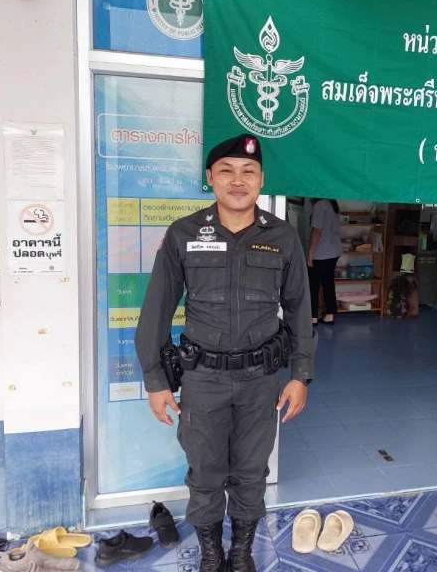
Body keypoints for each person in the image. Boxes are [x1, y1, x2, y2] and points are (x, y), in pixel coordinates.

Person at [135, 133, 314, 572]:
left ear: (261, 179)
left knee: (252, 470)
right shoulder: (183, 234)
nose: (238, 180)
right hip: (203, 379)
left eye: (248, 171)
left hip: (260, 379)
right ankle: (212, 553)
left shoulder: (283, 237)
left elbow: (299, 309)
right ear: (210, 178)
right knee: (205, 471)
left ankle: (242, 551)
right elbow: (156, 310)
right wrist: (155, 380)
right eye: (227, 171)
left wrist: (300, 374)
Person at [307, 198, 343, 326]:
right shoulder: (333, 204)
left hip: (321, 252)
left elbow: (317, 230)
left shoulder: (320, 205)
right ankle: (329, 315)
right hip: (334, 250)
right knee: (328, 284)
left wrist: (310, 251)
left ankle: (313, 318)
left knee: (313, 286)